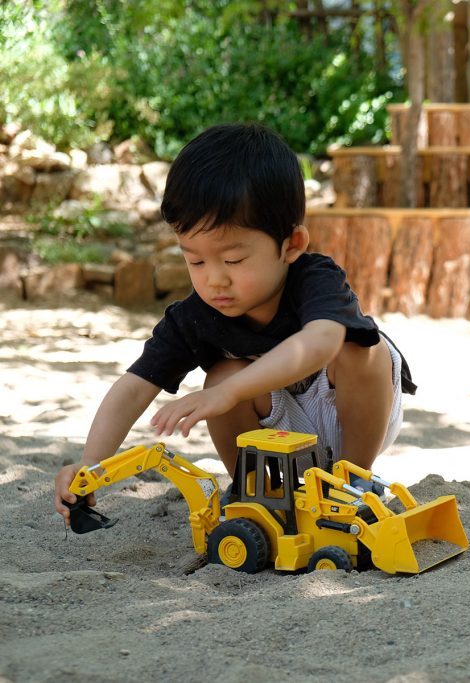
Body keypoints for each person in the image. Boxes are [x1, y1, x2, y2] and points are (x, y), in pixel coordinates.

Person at [53, 122, 415, 523]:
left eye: (233, 260)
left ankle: (352, 486)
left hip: (348, 410)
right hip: (278, 424)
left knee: (361, 346)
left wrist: (227, 394)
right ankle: (255, 495)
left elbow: (321, 343)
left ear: (291, 244)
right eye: (195, 260)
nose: (214, 279)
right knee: (221, 375)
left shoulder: (317, 279)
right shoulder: (194, 316)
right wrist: (90, 466)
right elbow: (134, 388)